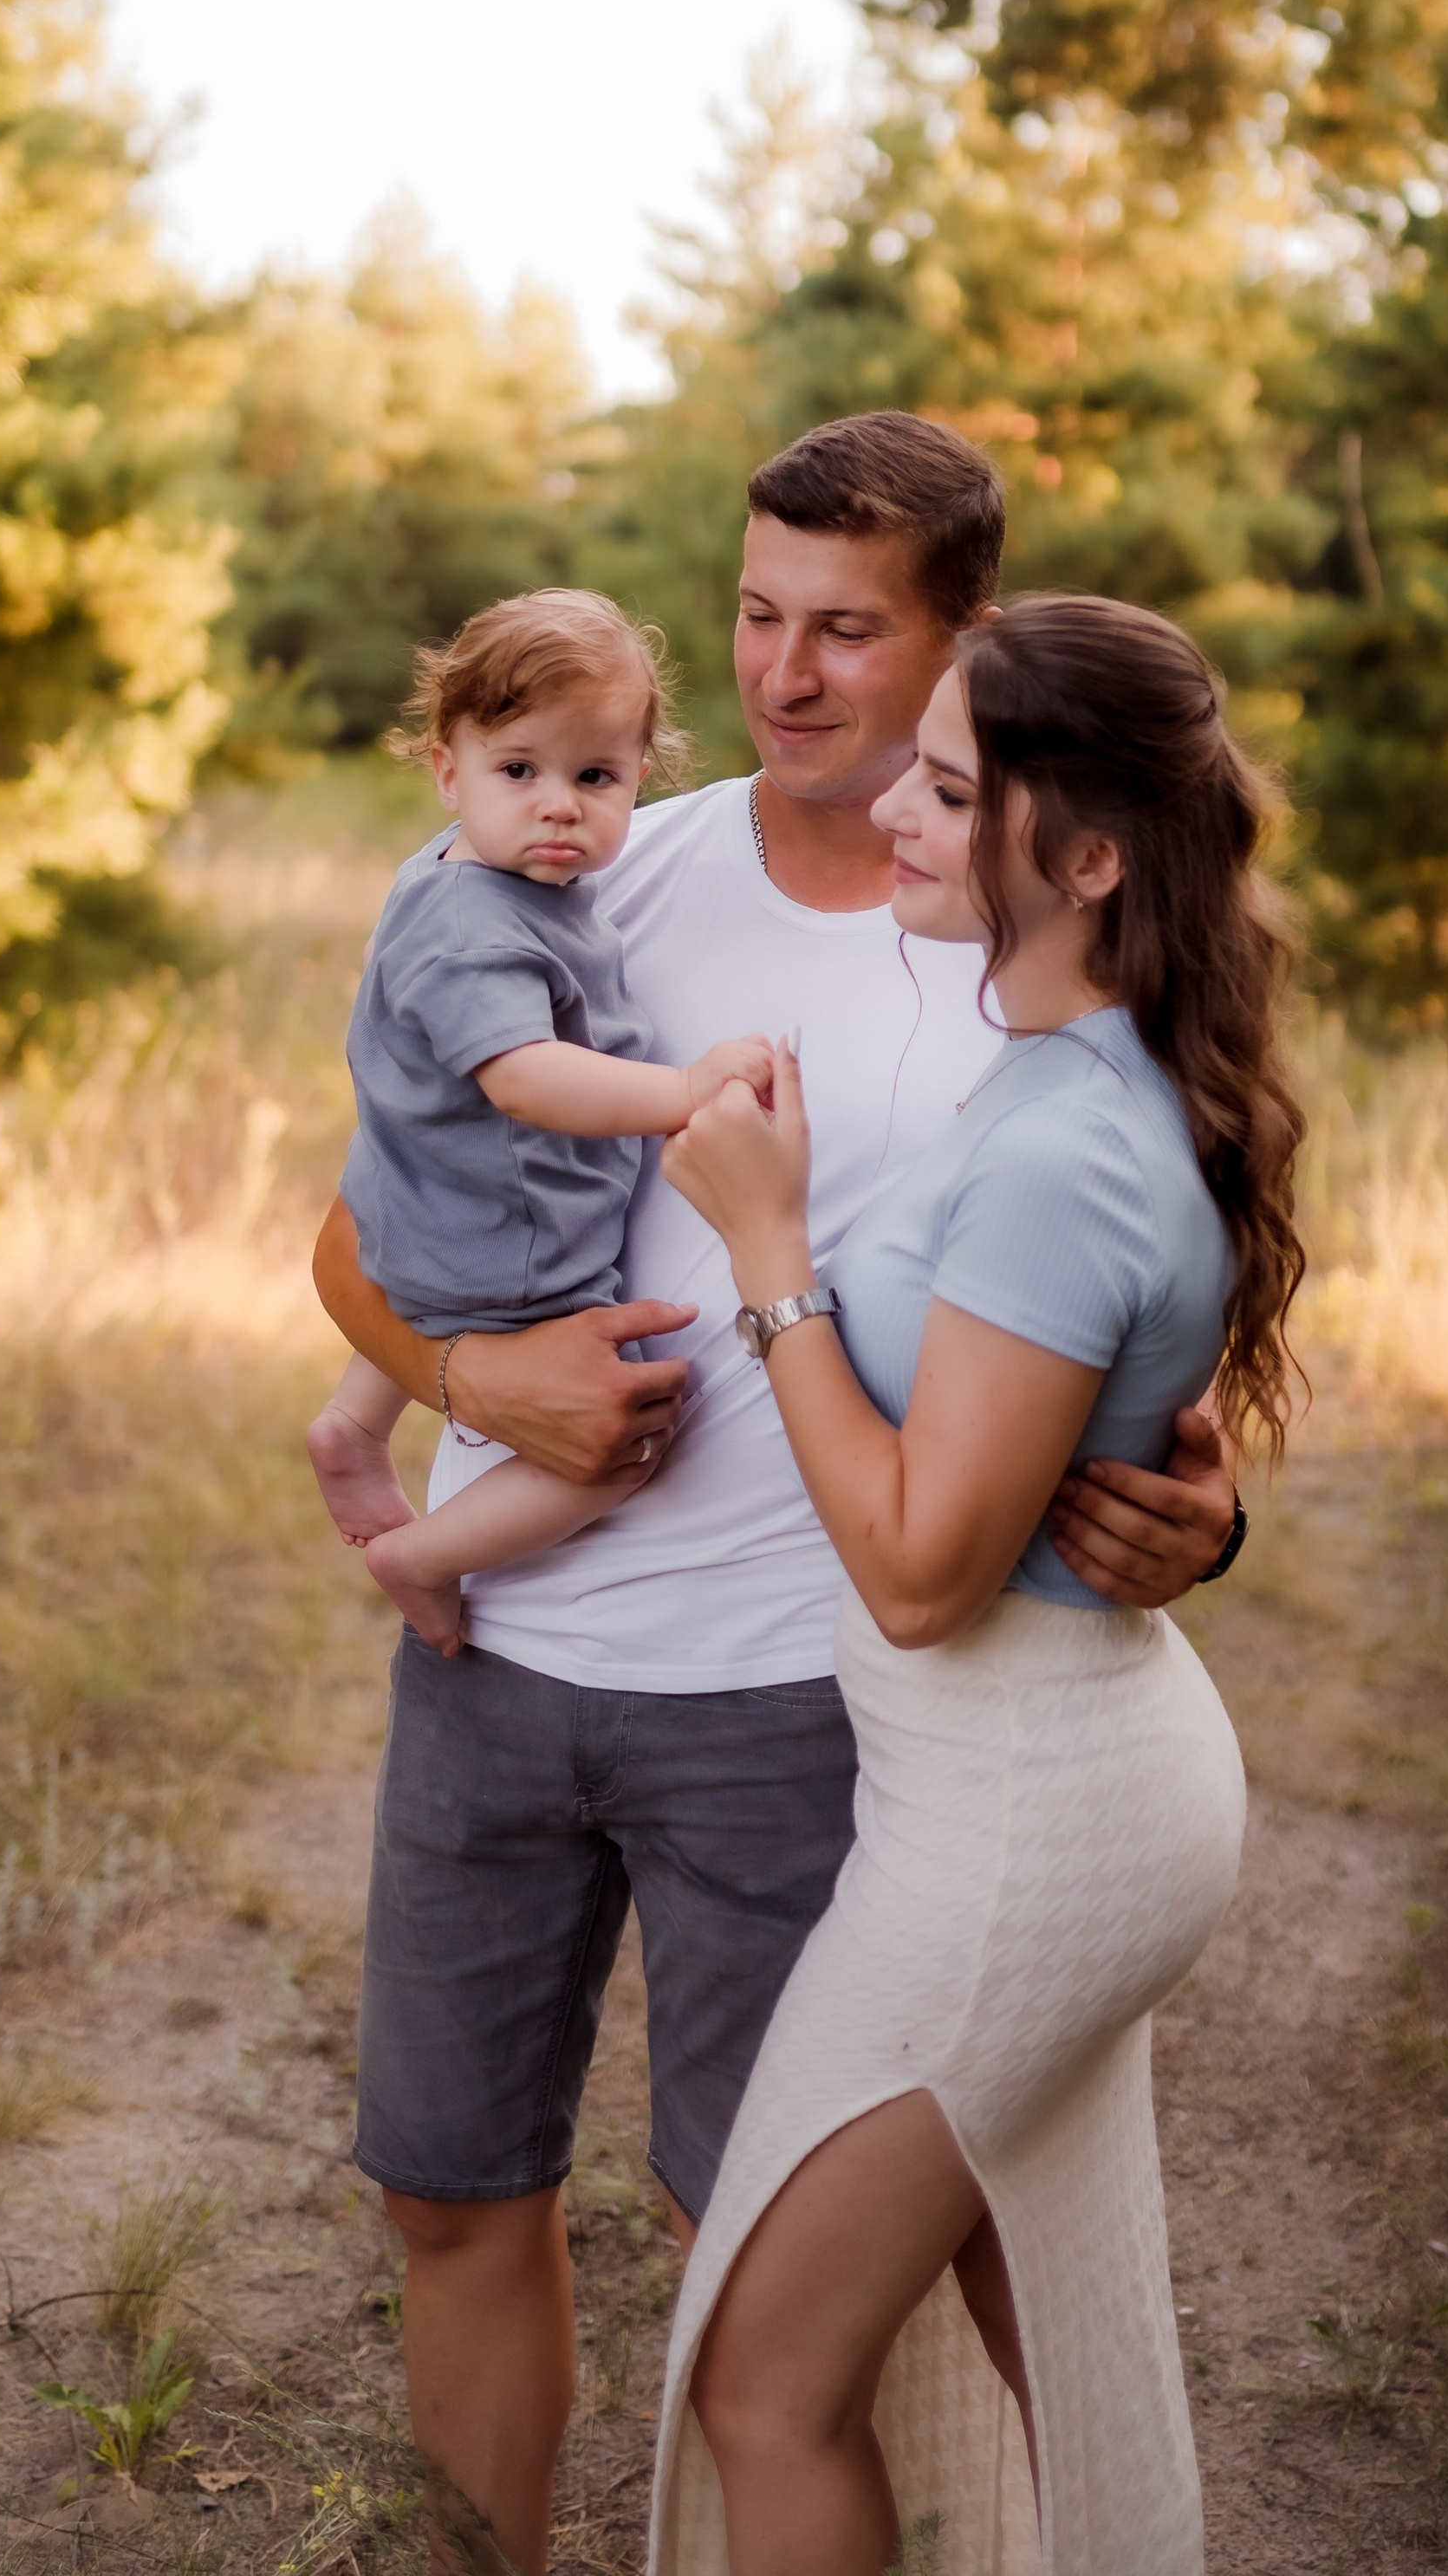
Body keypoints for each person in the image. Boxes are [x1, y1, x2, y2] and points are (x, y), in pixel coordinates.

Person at [309, 415, 1244, 2574]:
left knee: (753, 2261)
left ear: (959, 645)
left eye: (846, 630)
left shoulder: (1009, 934)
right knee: (449, 2191)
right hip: (500, 1659)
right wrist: (465, 1380)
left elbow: (1098, 1309)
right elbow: (355, 1235)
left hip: (790, 1708)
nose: (787, 674)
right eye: (753, 614)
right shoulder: (588, 843)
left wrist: (1191, 1511)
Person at [646, 594, 1305, 2576]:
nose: (897, 816)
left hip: (1021, 1805)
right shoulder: (1065, 1080)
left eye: (949, 787)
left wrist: (768, 1252)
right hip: (1029, 1771)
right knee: (1044, 2338)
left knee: (768, 2374)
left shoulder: (1059, 1146)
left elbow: (924, 1569)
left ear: (1085, 851)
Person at [304, 587, 773, 1651]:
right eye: (520, 771)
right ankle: (424, 1556)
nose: (559, 805)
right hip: (510, 1239)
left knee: (427, 1273)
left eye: (594, 777)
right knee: (622, 1446)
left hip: (417, 1202)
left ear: (638, 777)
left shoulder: (451, 869)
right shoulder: (480, 929)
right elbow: (526, 1079)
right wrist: (689, 1090)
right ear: (446, 767)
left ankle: (350, 1425)